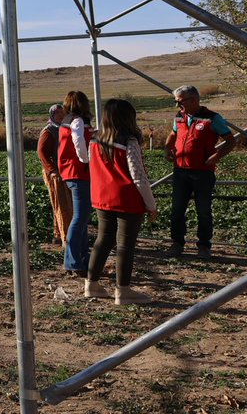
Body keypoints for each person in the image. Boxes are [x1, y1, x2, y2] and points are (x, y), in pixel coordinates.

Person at [85, 99, 157, 305]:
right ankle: (122, 291)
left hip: (101, 197)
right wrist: (151, 204)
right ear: (128, 118)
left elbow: (91, 166)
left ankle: (91, 284)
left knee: (103, 239)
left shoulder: (94, 139)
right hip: (127, 200)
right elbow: (138, 176)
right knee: (125, 245)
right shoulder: (129, 141)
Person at [165, 85, 237, 259]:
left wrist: (216, 157)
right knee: (177, 209)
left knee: (203, 210)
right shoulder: (179, 117)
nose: (178, 106)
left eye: (180, 102)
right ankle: (177, 243)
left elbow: (230, 140)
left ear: (194, 100)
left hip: (203, 173)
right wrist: (167, 147)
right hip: (180, 171)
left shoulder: (212, 118)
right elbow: (173, 134)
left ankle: (204, 245)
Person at [58, 91, 93, 274]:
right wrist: (86, 160)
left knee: (81, 217)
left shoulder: (67, 120)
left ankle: (80, 258)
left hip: (70, 172)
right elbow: (78, 141)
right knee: (80, 217)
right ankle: (73, 261)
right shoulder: (77, 121)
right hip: (78, 172)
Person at [36, 104, 70, 245]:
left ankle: (58, 234)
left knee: (61, 204)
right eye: (58, 114)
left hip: (63, 171)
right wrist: (53, 170)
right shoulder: (49, 131)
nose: (61, 116)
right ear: (52, 116)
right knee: (62, 205)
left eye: (63, 113)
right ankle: (66, 238)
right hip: (55, 174)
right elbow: (41, 152)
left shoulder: (62, 129)